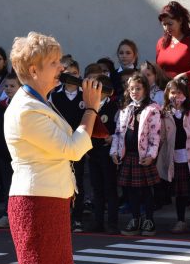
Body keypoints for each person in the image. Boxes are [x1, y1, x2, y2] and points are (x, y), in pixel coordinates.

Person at [4, 31, 101, 264]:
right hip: (36, 202)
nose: (62, 68)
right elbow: (73, 149)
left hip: (47, 199)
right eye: (54, 63)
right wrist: (90, 109)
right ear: (34, 70)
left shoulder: (39, 102)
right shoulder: (27, 108)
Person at [111, 72, 162, 236]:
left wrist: (151, 155)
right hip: (128, 156)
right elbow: (118, 132)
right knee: (130, 191)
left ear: (145, 90)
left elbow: (155, 135)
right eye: (131, 88)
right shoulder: (125, 109)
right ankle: (135, 218)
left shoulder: (152, 109)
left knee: (146, 190)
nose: (134, 92)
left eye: (138, 88)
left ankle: (149, 220)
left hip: (143, 156)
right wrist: (115, 151)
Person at [158, 79, 190, 234]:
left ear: (186, 94)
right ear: (167, 95)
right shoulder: (164, 114)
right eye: (173, 93)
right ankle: (181, 220)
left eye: (179, 92)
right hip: (177, 157)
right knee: (181, 192)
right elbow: (162, 137)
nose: (176, 96)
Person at [49, 58, 87, 233]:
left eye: (74, 74)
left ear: (79, 74)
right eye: (67, 74)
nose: (71, 77)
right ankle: (62, 216)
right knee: (60, 181)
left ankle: (77, 217)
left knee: (78, 181)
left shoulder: (84, 95)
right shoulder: (54, 95)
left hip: (78, 144)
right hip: (60, 145)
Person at [83, 70, 119, 234]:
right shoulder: (89, 105)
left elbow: (119, 128)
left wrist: (113, 138)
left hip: (107, 152)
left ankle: (112, 223)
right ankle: (97, 221)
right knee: (96, 188)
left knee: (110, 188)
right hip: (93, 152)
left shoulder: (114, 105)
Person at [0, 71, 21, 229]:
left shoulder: (25, 107)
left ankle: (19, 215)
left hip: (22, 155)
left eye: (12, 86)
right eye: (6, 86)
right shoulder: (1, 106)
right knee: (7, 185)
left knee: (21, 187)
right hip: (4, 153)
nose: (8, 89)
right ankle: (7, 214)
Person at [156, 1, 190, 83]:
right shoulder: (161, 42)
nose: (167, 28)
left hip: (188, 91)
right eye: (164, 24)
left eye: (170, 24)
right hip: (164, 92)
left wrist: (186, 75)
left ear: (180, 21)